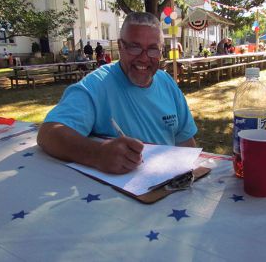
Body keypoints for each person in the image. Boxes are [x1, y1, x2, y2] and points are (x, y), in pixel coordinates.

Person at [37, 12, 197, 174]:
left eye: (153, 49)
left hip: (167, 186)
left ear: (161, 51)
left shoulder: (167, 82)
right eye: (135, 47)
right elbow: (48, 133)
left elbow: (185, 141)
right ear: (120, 46)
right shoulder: (97, 84)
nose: (143, 58)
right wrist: (98, 154)